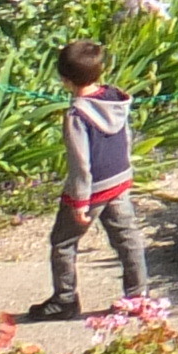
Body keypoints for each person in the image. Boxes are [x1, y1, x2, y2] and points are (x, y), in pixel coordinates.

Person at [17, 40, 146, 321]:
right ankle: (137, 297)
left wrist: (79, 201)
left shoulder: (77, 115)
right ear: (100, 72)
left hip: (92, 190)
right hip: (119, 180)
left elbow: (80, 163)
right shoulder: (115, 98)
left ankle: (64, 300)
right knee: (128, 239)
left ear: (65, 79)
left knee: (63, 243)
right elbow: (125, 138)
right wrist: (127, 172)